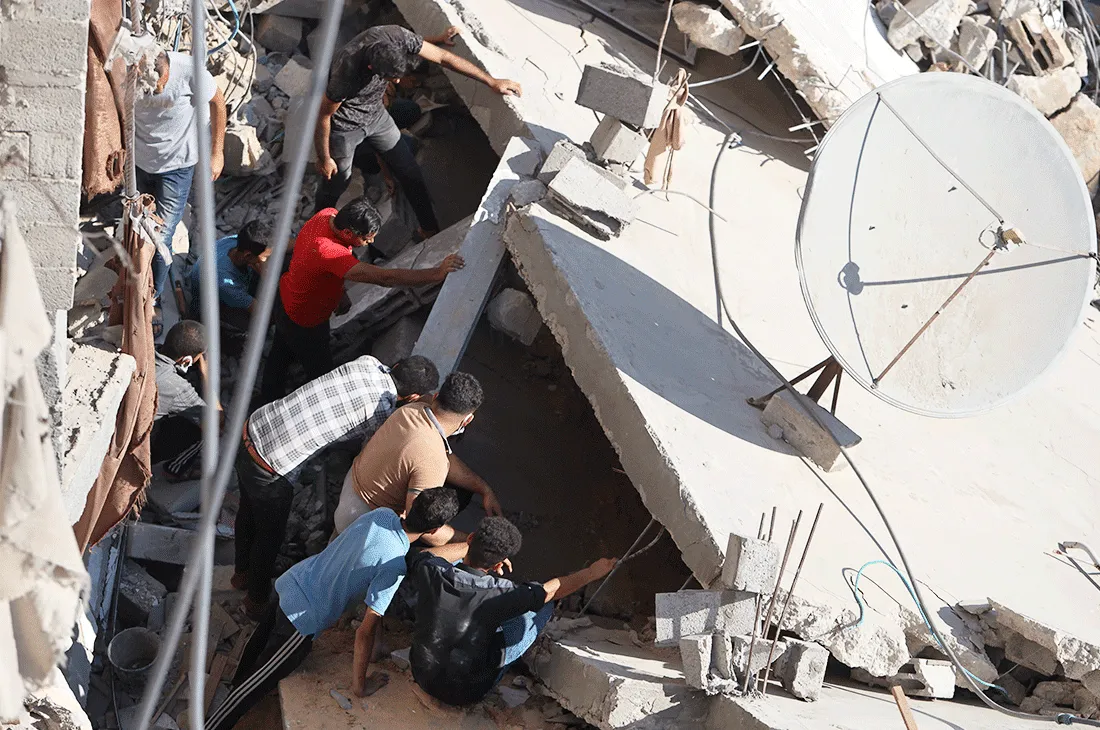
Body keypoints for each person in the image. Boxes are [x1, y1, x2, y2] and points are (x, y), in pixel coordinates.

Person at [205, 488, 462, 730]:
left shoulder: (381, 515)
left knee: (258, 644)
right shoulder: (394, 566)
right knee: (255, 686)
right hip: (302, 620)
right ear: (434, 530)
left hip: (292, 582)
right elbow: (365, 631)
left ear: (412, 505)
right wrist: (360, 686)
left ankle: (235, 682)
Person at [235, 355, 440, 617]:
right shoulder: (382, 410)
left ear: (397, 366)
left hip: (254, 427)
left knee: (247, 510)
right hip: (272, 467)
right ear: (412, 397)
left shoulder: (367, 362)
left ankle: (241, 573)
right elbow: (370, 453)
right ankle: (255, 601)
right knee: (268, 537)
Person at [314, 24, 523, 236]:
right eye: (391, 77)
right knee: (337, 180)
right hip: (346, 127)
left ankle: (428, 229)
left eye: (399, 75)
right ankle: (317, 226)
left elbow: (442, 57)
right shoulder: (346, 71)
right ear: (371, 67)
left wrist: (491, 81)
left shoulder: (396, 36)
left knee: (410, 172)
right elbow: (323, 116)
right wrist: (324, 158)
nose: (397, 81)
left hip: (377, 117)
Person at [258, 196, 464, 403]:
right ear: (348, 233)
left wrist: (339, 292)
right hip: (305, 319)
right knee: (320, 372)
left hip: (287, 299)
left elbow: (318, 266)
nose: (370, 242)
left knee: (281, 351)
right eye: (366, 239)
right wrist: (436, 273)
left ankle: (266, 395)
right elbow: (385, 278)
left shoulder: (328, 215)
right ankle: (303, 405)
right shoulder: (330, 252)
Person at [408, 516, 617, 706]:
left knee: (452, 569)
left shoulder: (432, 571)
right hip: (467, 692)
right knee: (543, 606)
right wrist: (591, 572)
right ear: (499, 564)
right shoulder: (503, 592)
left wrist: (477, 546)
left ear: (470, 538)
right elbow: (552, 590)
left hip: (423, 675)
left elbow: (427, 554)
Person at [333, 371, 500, 540]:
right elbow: (417, 525)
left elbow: (438, 456)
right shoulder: (433, 462)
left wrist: (483, 489)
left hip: (352, 483)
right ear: (467, 420)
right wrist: (470, 541)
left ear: (435, 396)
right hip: (361, 521)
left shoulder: (413, 409)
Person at [134, 47, 227, 314]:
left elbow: (218, 103)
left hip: (177, 167)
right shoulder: (126, 73)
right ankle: (134, 280)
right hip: (139, 163)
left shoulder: (190, 71)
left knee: (161, 237)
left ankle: (153, 297)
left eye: (159, 85)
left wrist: (217, 152)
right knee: (137, 227)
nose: (154, 91)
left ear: (167, 70)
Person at [151, 320, 217, 480]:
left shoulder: (145, 350)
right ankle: (175, 470)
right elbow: (217, 420)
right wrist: (206, 375)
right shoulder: (176, 386)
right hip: (143, 443)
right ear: (186, 360)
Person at [188, 219, 269, 332]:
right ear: (248, 255)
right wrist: (268, 277)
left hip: (222, 280)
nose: (266, 261)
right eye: (264, 258)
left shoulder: (240, 242)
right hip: (208, 306)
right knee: (257, 325)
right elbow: (261, 311)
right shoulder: (224, 283)